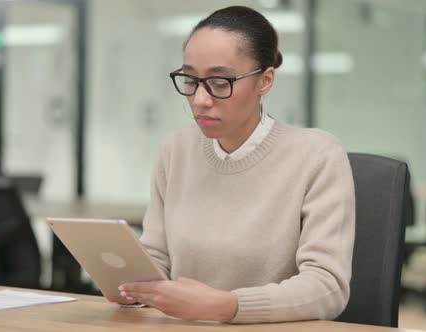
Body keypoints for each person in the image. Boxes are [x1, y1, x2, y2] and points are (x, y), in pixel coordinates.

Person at [110, 6, 355, 324]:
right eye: (190, 80)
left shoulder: (318, 156)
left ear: (265, 81)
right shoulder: (177, 150)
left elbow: (327, 287)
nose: (200, 99)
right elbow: (157, 256)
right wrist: (130, 285)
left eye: (220, 82)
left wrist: (228, 306)